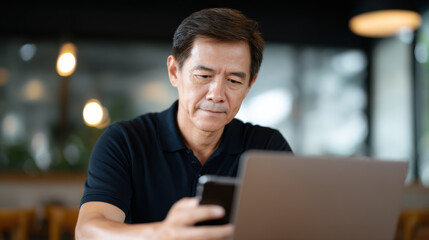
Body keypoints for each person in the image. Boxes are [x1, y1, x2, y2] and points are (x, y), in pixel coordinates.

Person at [75, 7, 292, 240]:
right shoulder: (125, 142)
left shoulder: (268, 147)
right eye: (204, 76)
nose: (216, 94)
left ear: (249, 85)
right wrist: (162, 234)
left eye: (233, 80)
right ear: (174, 71)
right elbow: (88, 232)